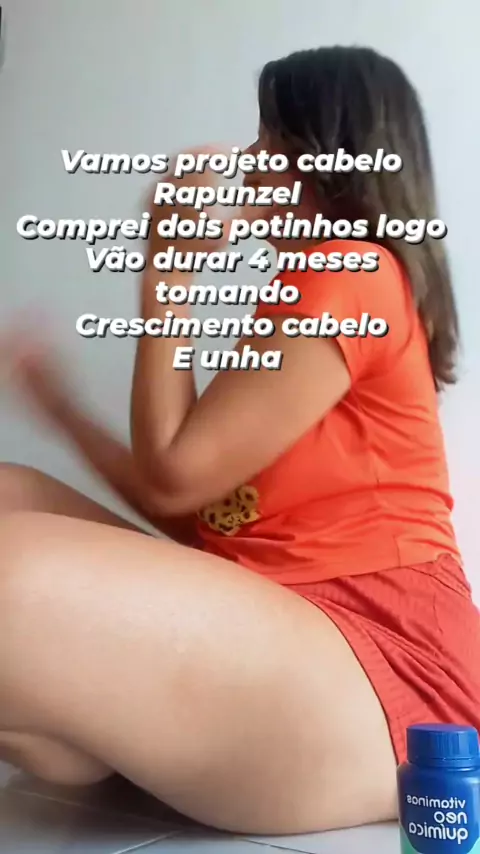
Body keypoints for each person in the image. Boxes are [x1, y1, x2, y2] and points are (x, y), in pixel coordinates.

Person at [1, 45, 479, 837]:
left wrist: (167, 270)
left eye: (268, 140)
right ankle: (97, 740)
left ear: (323, 159)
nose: (249, 161)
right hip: (277, 621)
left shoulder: (354, 270)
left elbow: (172, 477)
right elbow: (196, 511)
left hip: (386, 666)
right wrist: (62, 408)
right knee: (10, 490)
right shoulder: (314, 290)